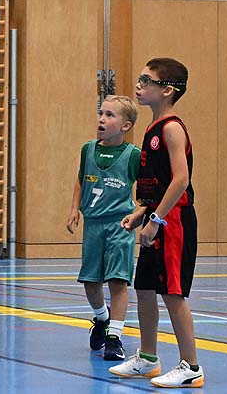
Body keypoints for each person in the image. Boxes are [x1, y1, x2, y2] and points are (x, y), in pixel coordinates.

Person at [109, 58, 204, 387]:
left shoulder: (172, 128)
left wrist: (156, 219)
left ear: (167, 90)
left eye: (146, 80)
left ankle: (191, 367)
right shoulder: (152, 128)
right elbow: (159, 184)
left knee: (172, 293)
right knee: (146, 288)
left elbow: (180, 180)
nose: (139, 85)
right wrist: (142, 212)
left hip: (173, 221)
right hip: (157, 215)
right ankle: (148, 358)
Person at [66, 95, 142, 361]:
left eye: (110, 115)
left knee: (118, 281)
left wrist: (140, 214)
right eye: (101, 113)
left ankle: (114, 337)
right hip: (93, 225)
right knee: (90, 281)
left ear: (125, 126)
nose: (102, 118)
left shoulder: (133, 155)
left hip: (120, 225)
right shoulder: (88, 149)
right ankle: (102, 317)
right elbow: (80, 180)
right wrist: (74, 209)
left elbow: (148, 189)